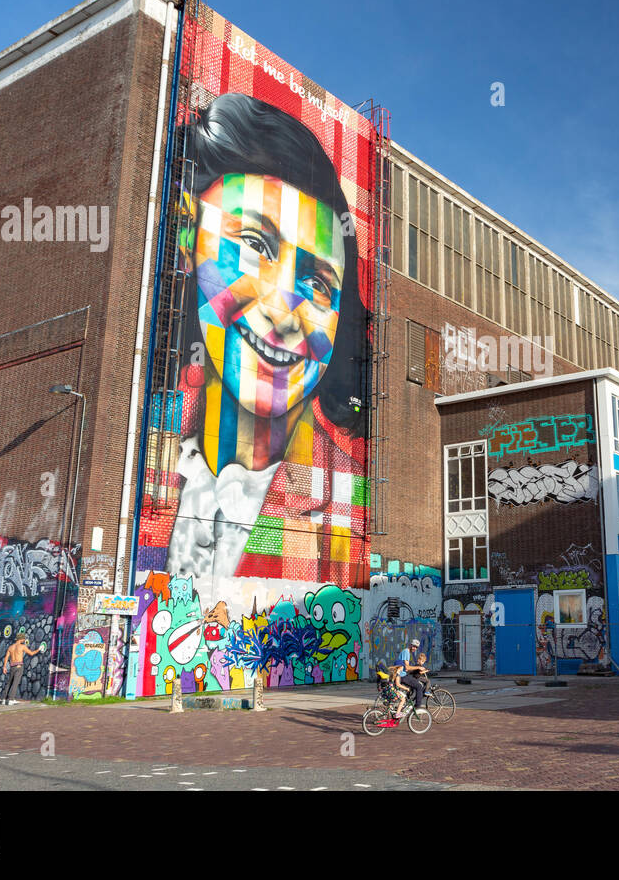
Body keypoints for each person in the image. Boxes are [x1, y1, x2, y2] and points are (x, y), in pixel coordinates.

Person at [144, 92, 372, 590]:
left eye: (318, 284)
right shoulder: (144, 435)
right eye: (253, 245)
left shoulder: (346, 493)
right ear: (188, 242)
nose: (284, 309)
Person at [0, 632, 46, 705]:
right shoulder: (22, 646)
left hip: (12, 666)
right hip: (19, 666)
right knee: (15, 683)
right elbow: (31, 653)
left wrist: (4, 667)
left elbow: (6, 658)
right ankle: (11, 699)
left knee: (9, 682)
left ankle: (4, 699)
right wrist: (39, 649)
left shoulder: (10, 647)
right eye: (23, 639)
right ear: (21, 639)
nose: (24, 640)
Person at [394, 638, 427, 716]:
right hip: (402, 676)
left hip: (403, 674)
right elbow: (407, 667)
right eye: (414, 646)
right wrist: (418, 668)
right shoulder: (406, 652)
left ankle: (406, 704)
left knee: (412, 683)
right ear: (410, 645)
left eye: (416, 647)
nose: (414, 648)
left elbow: (407, 668)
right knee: (419, 686)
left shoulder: (407, 652)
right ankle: (418, 708)